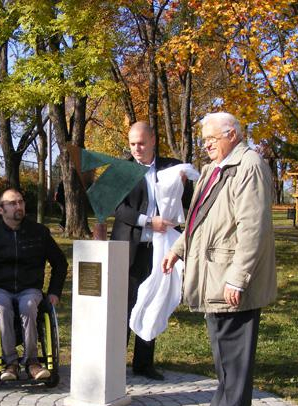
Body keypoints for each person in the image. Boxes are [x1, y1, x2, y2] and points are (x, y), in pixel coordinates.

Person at [162, 112, 276, 406]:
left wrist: (238, 279)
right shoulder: (214, 168)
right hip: (215, 277)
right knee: (226, 365)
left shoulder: (248, 165)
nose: (207, 145)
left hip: (230, 281)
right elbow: (197, 218)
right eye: (204, 141)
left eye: (212, 139)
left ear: (232, 135)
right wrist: (177, 250)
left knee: (234, 368)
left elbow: (253, 228)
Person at [110, 121, 191, 381]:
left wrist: (184, 183)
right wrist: (148, 221)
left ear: (154, 140)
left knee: (154, 300)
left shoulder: (172, 166)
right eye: (132, 143)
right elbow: (118, 208)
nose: (136, 148)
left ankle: (144, 364)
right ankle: (114, 363)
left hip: (161, 250)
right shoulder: (121, 169)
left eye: (141, 143)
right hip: (128, 248)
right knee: (124, 305)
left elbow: (188, 200)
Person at [0, 188, 68, 382]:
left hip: (29, 288)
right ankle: (11, 363)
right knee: (3, 306)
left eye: (21, 202)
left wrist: (55, 291)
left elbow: (60, 263)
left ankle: (32, 362)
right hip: (0, 289)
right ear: (1, 210)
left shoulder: (39, 232)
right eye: (12, 203)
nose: (19, 206)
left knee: (29, 305)